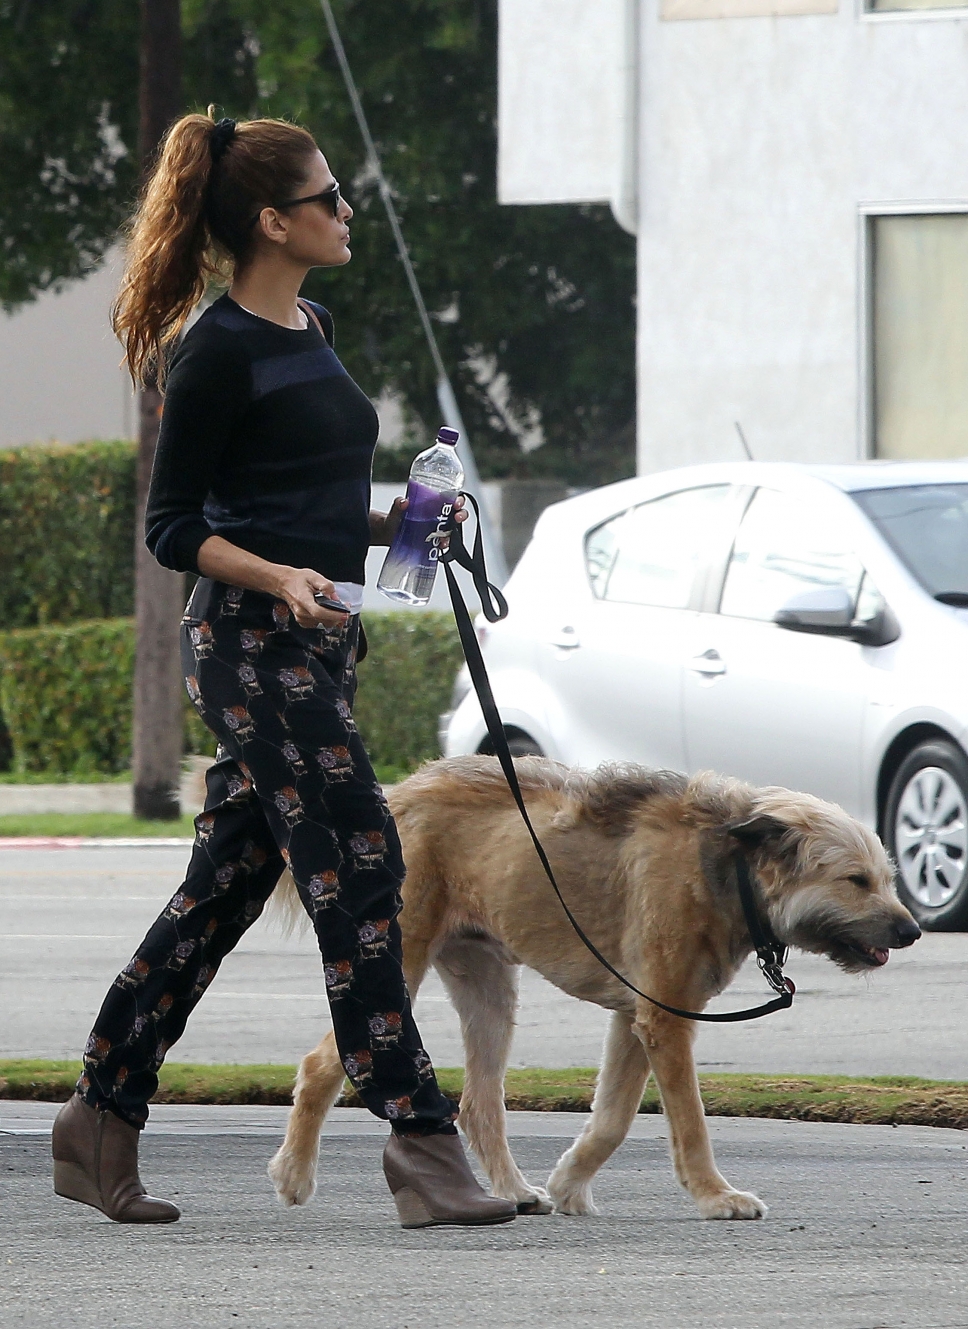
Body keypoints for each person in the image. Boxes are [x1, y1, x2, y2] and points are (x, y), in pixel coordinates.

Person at [50, 110, 516, 1231]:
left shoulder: (310, 322)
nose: (345, 211)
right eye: (328, 197)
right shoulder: (211, 351)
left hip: (314, 642)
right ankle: (420, 1142)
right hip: (248, 648)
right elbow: (173, 527)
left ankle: (98, 1114)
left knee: (217, 895)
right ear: (272, 220)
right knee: (363, 871)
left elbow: (294, 503)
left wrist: (399, 525)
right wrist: (274, 578)